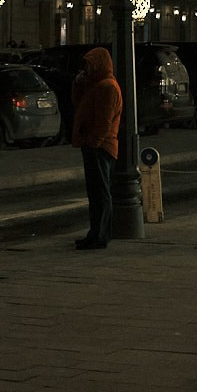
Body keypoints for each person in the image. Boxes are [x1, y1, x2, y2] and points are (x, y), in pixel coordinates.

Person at [70, 46, 123, 251]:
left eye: (90, 65)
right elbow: (78, 104)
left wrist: (94, 141)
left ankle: (100, 235)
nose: (86, 69)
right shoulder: (96, 85)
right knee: (95, 193)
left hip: (100, 147)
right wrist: (78, 84)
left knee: (100, 193)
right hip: (93, 144)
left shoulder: (107, 87)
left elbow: (104, 121)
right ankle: (95, 234)